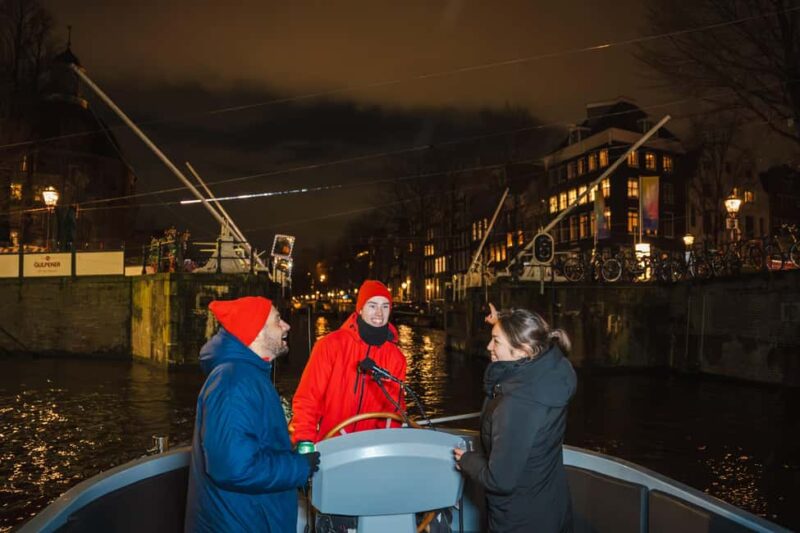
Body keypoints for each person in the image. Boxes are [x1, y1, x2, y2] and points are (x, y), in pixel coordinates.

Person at [185, 296, 320, 533]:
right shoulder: (234, 383)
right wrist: (298, 467)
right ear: (256, 333)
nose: (286, 326)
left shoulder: (246, 375)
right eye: (278, 320)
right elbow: (234, 468)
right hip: (240, 522)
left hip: (248, 517)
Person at [453, 304, 576, 533]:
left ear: (523, 351)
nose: (489, 346)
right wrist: (503, 321)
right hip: (551, 505)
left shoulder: (517, 404)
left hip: (520, 520)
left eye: (496, 341)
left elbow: (500, 480)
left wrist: (467, 460)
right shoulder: (555, 370)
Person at [291, 279, 407, 444]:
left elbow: (393, 410)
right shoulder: (330, 346)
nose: (379, 314)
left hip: (369, 450)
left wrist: (386, 447)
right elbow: (308, 399)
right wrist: (305, 442)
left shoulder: (396, 358)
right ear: (360, 309)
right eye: (372, 306)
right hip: (329, 444)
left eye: (385, 306)